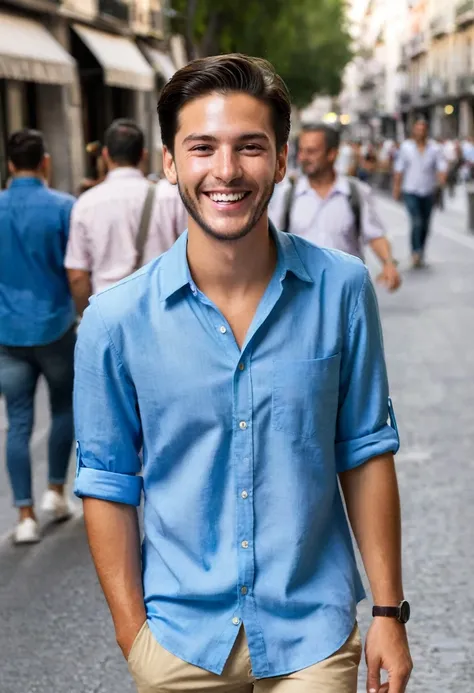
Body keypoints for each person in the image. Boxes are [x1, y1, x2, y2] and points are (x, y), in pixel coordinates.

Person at [74, 54, 412, 693]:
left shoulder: (341, 289)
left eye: (249, 147)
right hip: (178, 641)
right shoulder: (114, 320)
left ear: (281, 159)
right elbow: (108, 483)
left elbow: (365, 453)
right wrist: (132, 636)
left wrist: (389, 613)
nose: (225, 171)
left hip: (312, 631)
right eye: (202, 148)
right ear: (170, 162)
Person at [0, 130, 76, 544]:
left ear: (10, 164)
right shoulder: (64, 207)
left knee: (18, 422)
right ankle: (55, 493)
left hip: (7, 332)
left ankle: (25, 516)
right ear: (44, 162)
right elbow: (75, 266)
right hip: (56, 326)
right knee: (63, 410)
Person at [65, 119, 186, 315]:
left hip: (107, 311)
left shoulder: (85, 203)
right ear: (143, 155)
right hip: (162, 308)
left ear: (105, 155)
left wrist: (86, 315)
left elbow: (77, 276)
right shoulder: (170, 196)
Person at [270, 124, 401, 292]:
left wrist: (388, 264)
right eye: (301, 151)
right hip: (299, 295)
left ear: (332, 154)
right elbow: (269, 242)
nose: (303, 157)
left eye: (311, 151)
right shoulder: (287, 195)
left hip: (346, 293)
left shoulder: (355, 192)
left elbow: (375, 235)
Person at [393, 119, 447, 267]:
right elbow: (399, 169)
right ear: (414, 131)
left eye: (423, 129)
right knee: (416, 221)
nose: (420, 132)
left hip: (428, 191)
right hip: (411, 190)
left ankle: (421, 250)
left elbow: (441, 166)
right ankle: (415, 252)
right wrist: (396, 188)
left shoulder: (434, 148)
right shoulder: (406, 148)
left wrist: (442, 179)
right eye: (418, 129)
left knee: (425, 224)